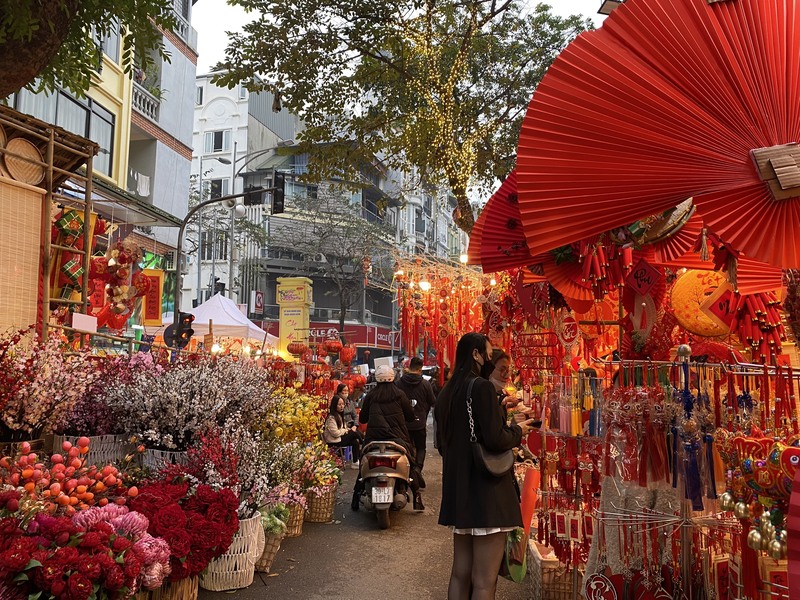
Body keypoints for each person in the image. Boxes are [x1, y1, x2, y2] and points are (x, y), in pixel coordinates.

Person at [434, 332, 537, 600]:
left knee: (460, 573)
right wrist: (517, 430)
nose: (490, 359)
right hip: (486, 494)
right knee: (484, 581)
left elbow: (442, 444)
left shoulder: (448, 391)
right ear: (476, 355)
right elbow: (495, 438)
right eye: (488, 354)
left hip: (461, 491)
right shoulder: (480, 387)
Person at [352, 364, 425, 512]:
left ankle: (355, 497)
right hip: (398, 439)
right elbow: (410, 416)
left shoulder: (371, 396)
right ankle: (417, 495)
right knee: (410, 462)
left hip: (373, 440)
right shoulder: (399, 394)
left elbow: (363, 419)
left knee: (363, 467)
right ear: (393, 378)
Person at [394, 356, 437, 489]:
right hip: (419, 423)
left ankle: (407, 473)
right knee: (420, 448)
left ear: (410, 366)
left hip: (403, 423)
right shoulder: (425, 384)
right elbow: (433, 401)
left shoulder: (399, 383)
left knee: (406, 449)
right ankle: (417, 469)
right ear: (420, 369)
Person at [322, 395, 363, 469]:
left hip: (339, 438)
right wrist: (346, 430)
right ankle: (363, 443)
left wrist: (347, 429)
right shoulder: (331, 418)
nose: (342, 406)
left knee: (354, 441)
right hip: (334, 440)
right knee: (353, 433)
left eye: (342, 404)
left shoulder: (340, 416)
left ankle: (355, 462)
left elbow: (343, 428)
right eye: (339, 404)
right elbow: (335, 433)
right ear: (335, 405)